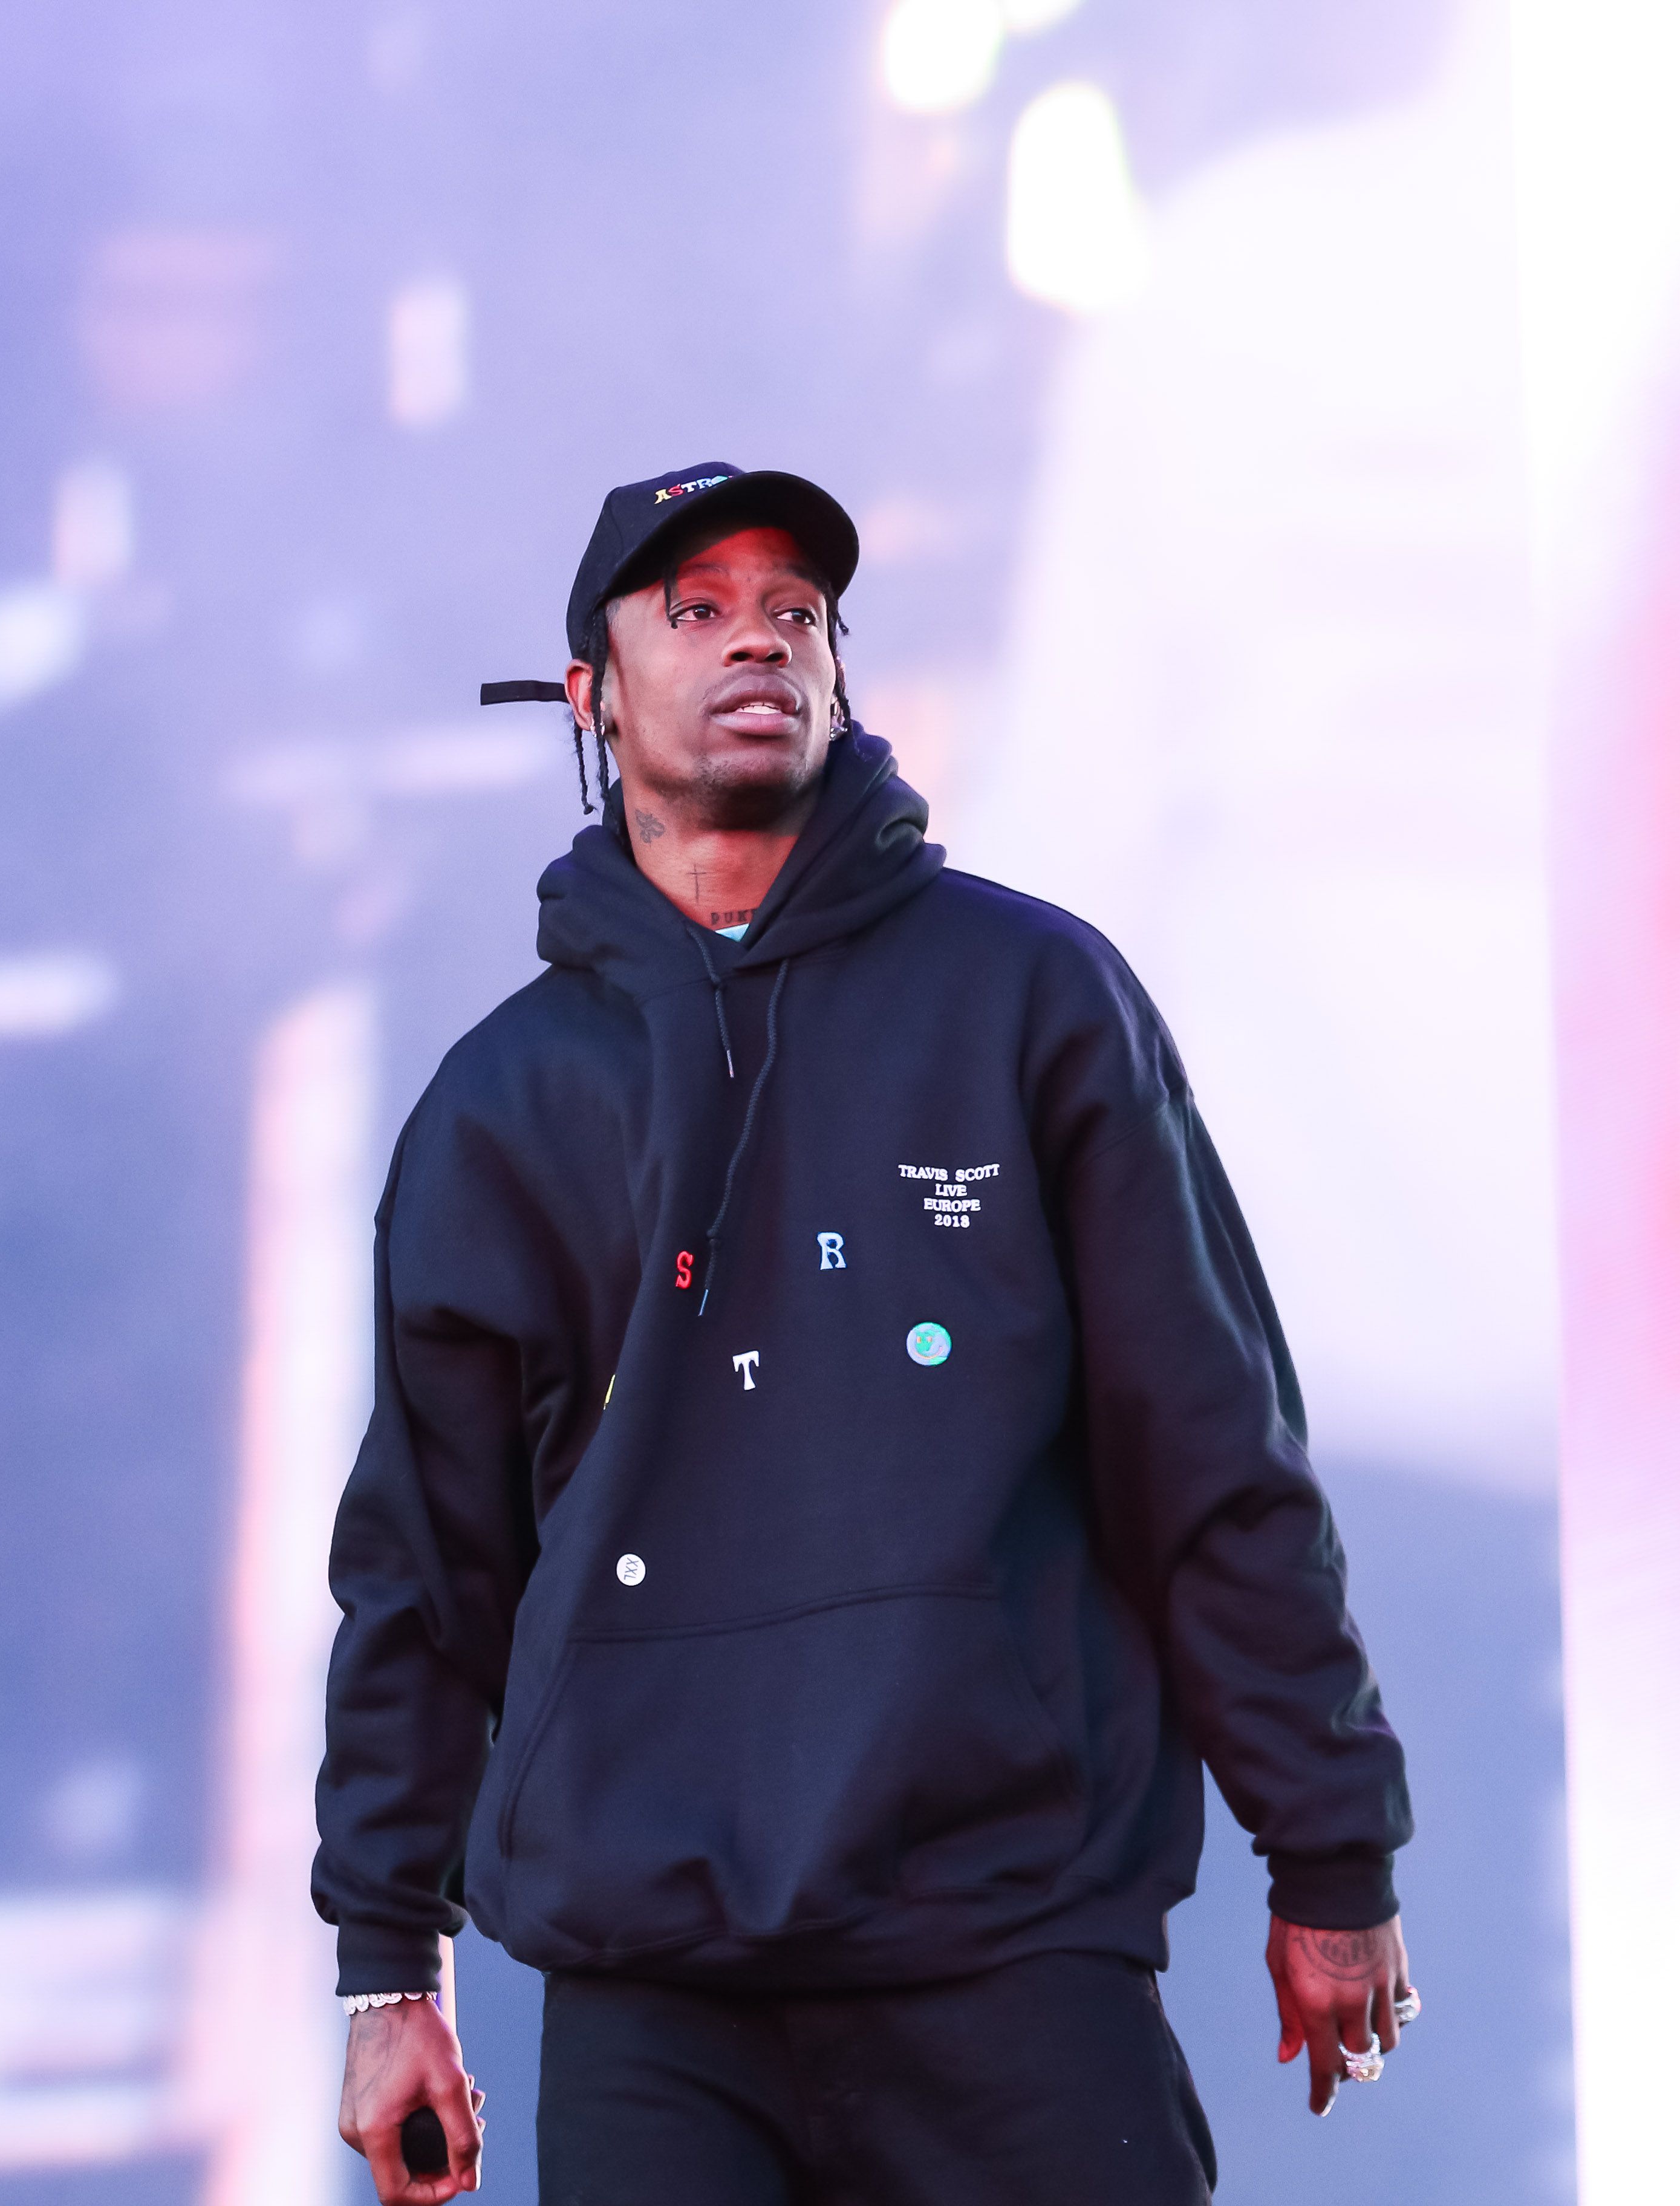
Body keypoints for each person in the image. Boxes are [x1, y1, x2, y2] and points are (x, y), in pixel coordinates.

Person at [316, 462, 1415, 2205]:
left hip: (1014, 1943)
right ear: (592, 699)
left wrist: (1331, 1850)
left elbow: (1207, 1454)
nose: (757, 638)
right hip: (654, 1988)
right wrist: (392, 1967)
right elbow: (426, 1575)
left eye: (795, 610)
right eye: (694, 609)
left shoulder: (1033, 1000)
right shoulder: (498, 1111)